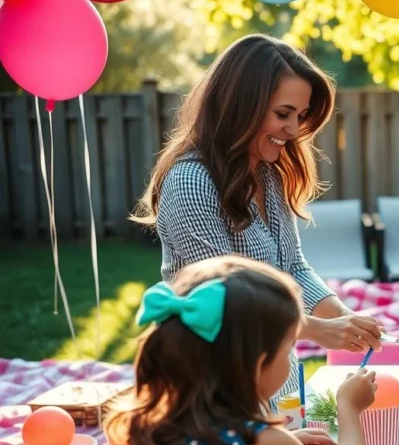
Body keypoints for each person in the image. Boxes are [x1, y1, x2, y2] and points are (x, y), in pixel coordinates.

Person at [131, 34, 381, 411]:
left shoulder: (267, 174)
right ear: (239, 105)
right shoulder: (191, 182)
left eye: (299, 116)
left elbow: (292, 266)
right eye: (283, 114)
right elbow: (229, 300)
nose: (295, 130)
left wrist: (345, 318)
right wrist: (320, 332)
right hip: (217, 388)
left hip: (272, 376)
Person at [96, 256, 376, 445]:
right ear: (258, 366)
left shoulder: (159, 417)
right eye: (288, 347)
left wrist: (286, 444)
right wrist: (348, 407)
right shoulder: (259, 444)